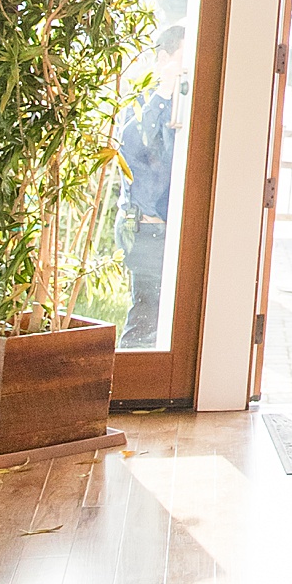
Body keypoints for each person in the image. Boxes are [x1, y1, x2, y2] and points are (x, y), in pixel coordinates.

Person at [117, 25, 186, 349]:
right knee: (145, 319)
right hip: (147, 230)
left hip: (177, 231)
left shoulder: (188, 105)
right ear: (164, 59)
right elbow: (131, 145)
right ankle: (127, 394)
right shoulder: (142, 98)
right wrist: (164, 92)